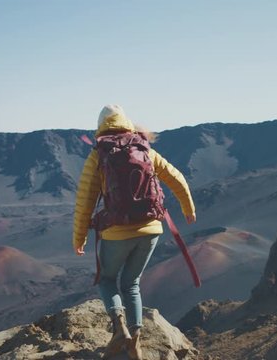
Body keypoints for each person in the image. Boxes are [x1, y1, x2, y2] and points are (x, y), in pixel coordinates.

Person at [72, 104, 196, 360]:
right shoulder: (143, 148)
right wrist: (188, 208)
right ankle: (135, 343)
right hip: (151, 229)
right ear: (127, 123)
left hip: (117, 232)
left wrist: (80, 237)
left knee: (107, 280)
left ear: (100, 128)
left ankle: (120, 330)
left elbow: (85, 199)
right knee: (132, 283)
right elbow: (176, 177)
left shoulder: (99, 154)